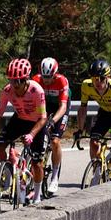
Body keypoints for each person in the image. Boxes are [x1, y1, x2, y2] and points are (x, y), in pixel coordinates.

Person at [0, 59, 49, 193]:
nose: (14, 84)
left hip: (36, 123)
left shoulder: (36, 90)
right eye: (11, 80)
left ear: (26, 79)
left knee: (36, 162)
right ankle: (9, 170)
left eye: (18, 81)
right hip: (20, 119)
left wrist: (31, 134)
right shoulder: (7, 90)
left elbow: (43, 118)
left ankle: (37, 194)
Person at [34, 57, 71, 197]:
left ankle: (55, 176)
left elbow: (62, 107)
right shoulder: (36, 79)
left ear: (55, 73)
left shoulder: (62, 80)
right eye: (44, 76)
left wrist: (53, 121)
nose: (46, 80)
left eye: (49, 77)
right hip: (45, 106)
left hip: (61, 106)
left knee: (55, 141)